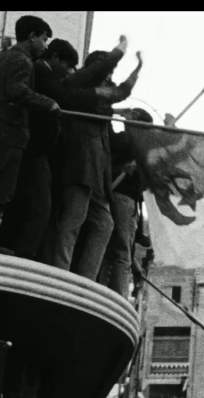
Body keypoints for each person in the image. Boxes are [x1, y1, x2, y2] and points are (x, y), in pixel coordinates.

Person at [40, 43, 140, 280]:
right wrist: (121, 56)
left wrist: (143, 137)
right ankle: (60, 276)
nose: (109, 79)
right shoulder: (79, 92)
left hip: (98, 176)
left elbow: (114, 143)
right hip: (78, 168)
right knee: (71, 223)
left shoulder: (99, 104)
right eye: (106, 73)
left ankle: (85, 279)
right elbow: (106, 100)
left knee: (104, 224)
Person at [0, 15, 59, 255]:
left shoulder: (5, 56)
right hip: (9, 134)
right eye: (44, 39)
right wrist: (47, 103)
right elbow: (16, 90)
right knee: (0, 189)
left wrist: (2, 51)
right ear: (32, 37)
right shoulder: (24, 61)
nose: (46, 45)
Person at [97, 108, 151, 298]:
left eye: (133, 118)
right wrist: (113, 109)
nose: (128, 120)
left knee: (118, 250)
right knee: (113, 249)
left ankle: (113, 295)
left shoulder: (142, 147)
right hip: (113, 195)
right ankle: (108, 293)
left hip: (124, 198)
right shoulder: (120, 140)